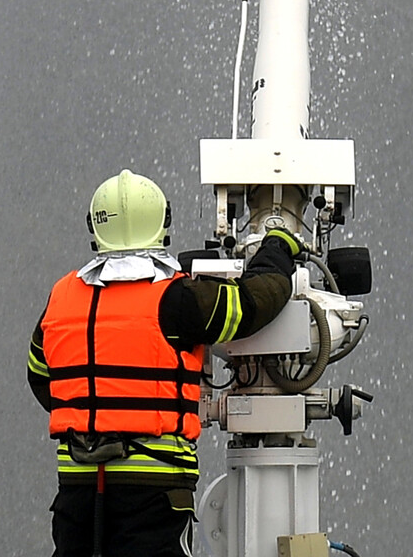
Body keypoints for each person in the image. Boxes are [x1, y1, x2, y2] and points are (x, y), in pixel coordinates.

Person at [28, 170, 302, 557]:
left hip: (78, 490)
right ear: (162, 224)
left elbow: (42, 378)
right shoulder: (178, 300)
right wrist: (277, 249)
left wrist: (98, 415)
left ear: (96, 227)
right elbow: (255, 302)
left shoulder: (61, 299)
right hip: (154, 494)